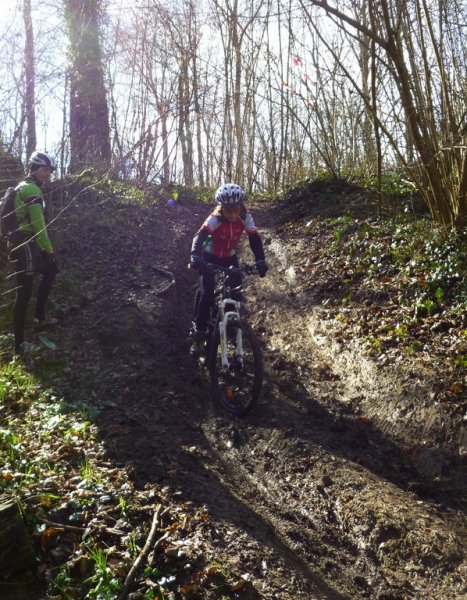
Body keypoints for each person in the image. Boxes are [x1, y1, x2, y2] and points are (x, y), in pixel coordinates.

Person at [189, 183, 268, 353]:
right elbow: (200, 235)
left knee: (237, 292)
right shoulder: (215, 218)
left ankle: (231, 325)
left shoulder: (245, 217)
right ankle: (199, 334)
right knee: (208, 294)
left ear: (241, 206)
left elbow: (254, 238)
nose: (232, 213)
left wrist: (260, 260)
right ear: (221, 208)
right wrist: (195, 254)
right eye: (228, 210)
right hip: (209, 256)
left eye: (236, 209)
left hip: (230, 257)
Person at [8, 151, 59, 354]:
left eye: (49, 171)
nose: (48, 174)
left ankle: (39, 318)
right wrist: (50, 250)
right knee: (24, 292)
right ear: (36, 169)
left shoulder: (24, 187)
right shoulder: (31, 191)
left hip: (24, 244)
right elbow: (40, 227)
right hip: (24, 245)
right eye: (45, 170)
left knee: (51, 271)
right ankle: (19, 345)